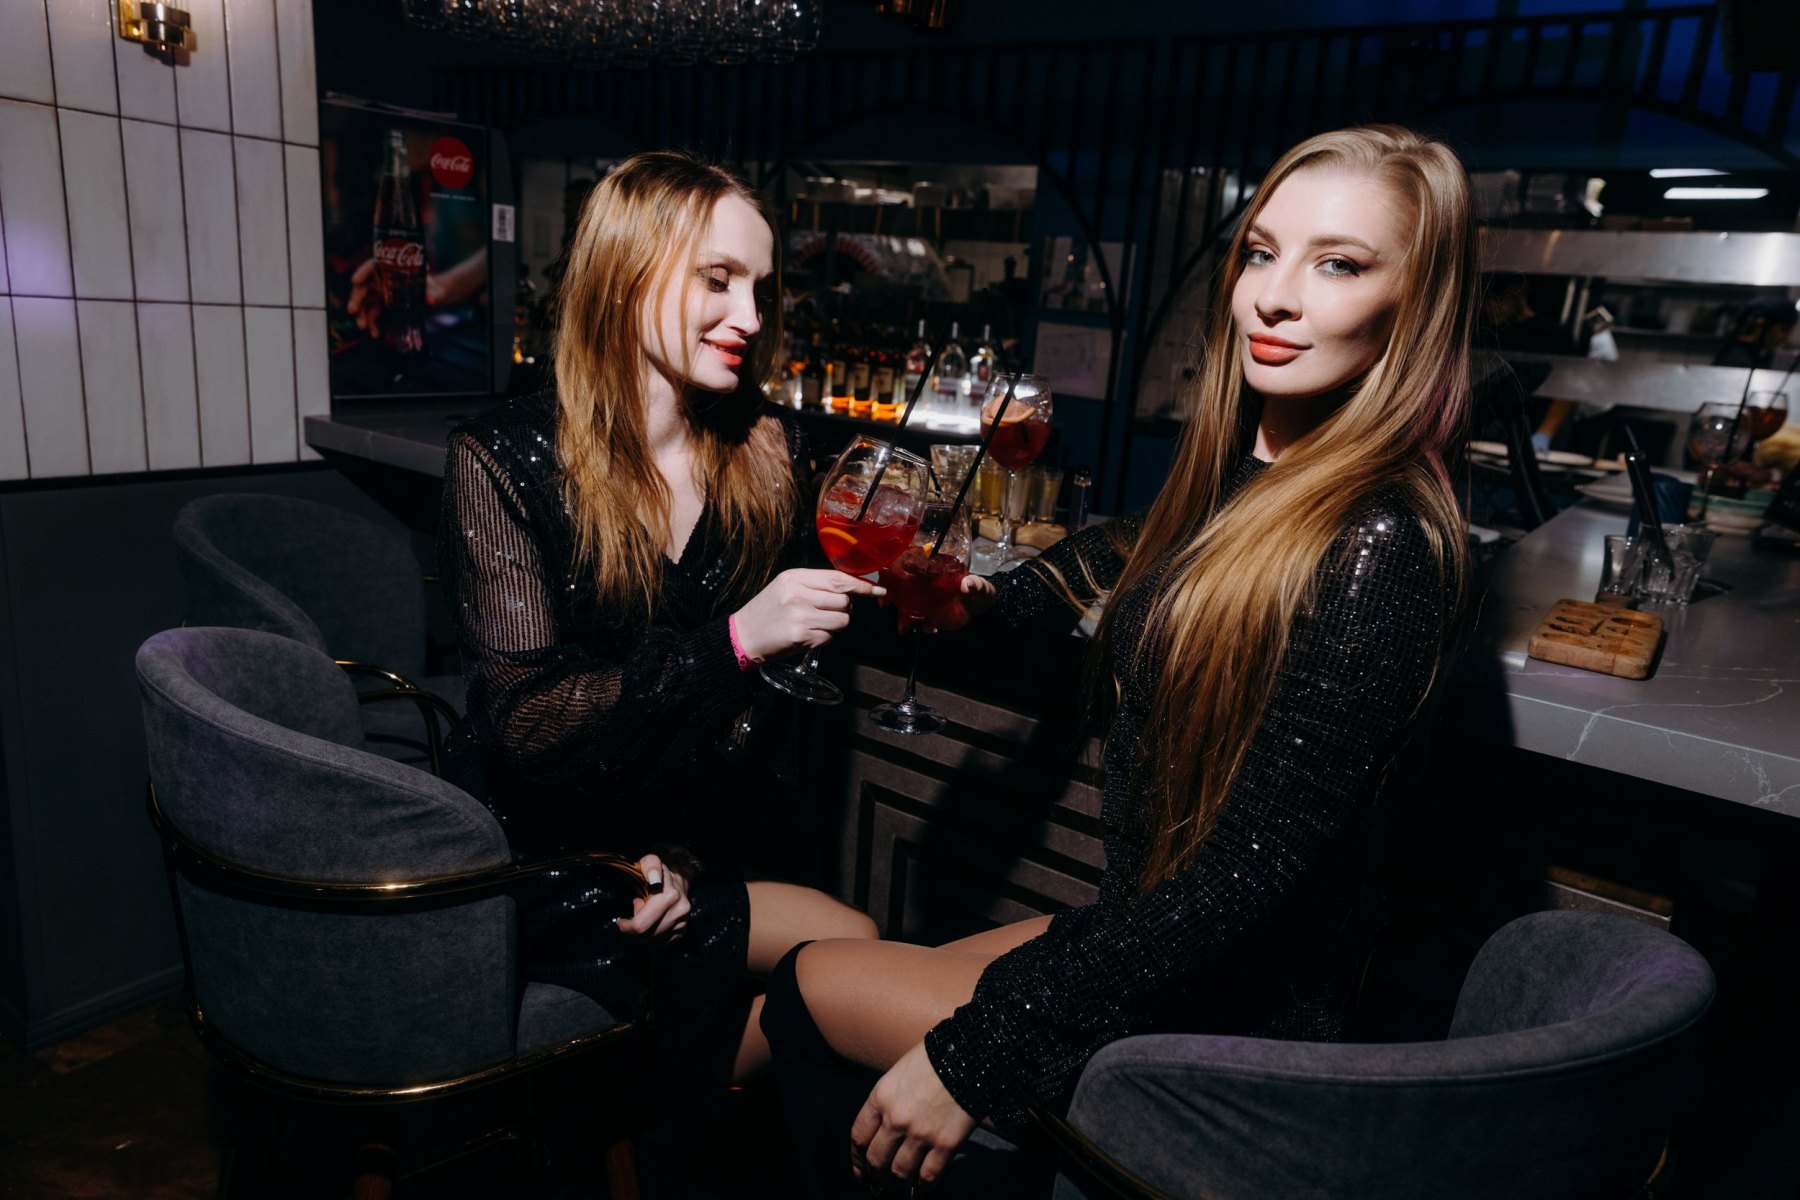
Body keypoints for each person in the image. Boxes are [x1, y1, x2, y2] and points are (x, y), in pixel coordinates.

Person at [760, 124, 1477, 1195]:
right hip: (1159, 942)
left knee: (807, 989)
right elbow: (1133, 548)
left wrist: (977, 1055)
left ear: (1416, 304)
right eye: (1262, 253)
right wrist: (986, 604)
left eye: (1339, 264)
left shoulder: (1382, 541)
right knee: (877, 972)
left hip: (1223, 1012)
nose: (1272, 298)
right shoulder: (1261, 473)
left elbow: (1244, 878)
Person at [437, 151, 879, 1179]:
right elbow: (530, 722)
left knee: (849, 949)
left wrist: (678, 851)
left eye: (761, 287)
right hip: (544, 856)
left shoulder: (762, 451)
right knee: (836, 968)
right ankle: (617, 1138)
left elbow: (770, 701)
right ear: (627, 272)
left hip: (687, 841)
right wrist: (734, 643)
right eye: (718, 280)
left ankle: (631, 1135)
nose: (751, 315)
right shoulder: (506, 459)